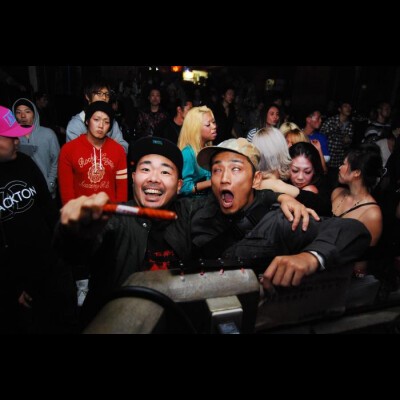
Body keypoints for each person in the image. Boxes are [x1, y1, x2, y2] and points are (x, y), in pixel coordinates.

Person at [55, 136, 313, 327]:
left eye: (165, 171)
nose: (153, 178)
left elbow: (241, 197)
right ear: (133, 178)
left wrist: (279, 198)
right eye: (145, 169)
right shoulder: (114, 218)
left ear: (179, 185)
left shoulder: (190, 212)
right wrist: (73, 229)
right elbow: (72, 253)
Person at [193, 138, 371, 289]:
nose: (224, 179)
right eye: (217, 170)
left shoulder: (280, 218)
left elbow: (354, 230)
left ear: (256, 179)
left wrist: (311, 257)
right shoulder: (197, 213)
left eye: (235, 169)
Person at [0, 105, 74, 333]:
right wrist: (12, 288)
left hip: (51, 265)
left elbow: (48, 209)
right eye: (11, 137)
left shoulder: (24, 162)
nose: (17, 142)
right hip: (18, 279)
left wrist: (63, 256)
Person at [58, 101, 127, 205]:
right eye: (96, 120)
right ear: (87, 121)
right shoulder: (68, 150)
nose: (101, 125)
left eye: (106, 122)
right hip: (80, 212)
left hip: (109, 212)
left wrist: (117, 214)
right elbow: (66, 191)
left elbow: (122, 191)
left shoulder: (118, 150)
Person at [12, 98, 60, 199]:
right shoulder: (11, 138)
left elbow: (57, 160)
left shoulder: (48, 134)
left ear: (34, 114)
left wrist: (50, 183)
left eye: (27, 112)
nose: (23, 116)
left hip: (47, 190)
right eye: (18, 112)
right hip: (23, 193)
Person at [66, 77, 128, 153]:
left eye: (107, 94)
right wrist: (111, 147)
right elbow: (76, 155)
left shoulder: (111, 121)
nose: (104, 98)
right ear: (87, 96)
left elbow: (123, 147)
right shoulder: (75, 125)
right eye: (99, 93)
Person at [177, 106, 217, 197]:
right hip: (193, 203)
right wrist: (212, 181)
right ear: (195, 128)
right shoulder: (187, 153)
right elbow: (184, 188)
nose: (214, 127)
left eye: (214, 122)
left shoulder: (208, 149)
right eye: (208, 125)